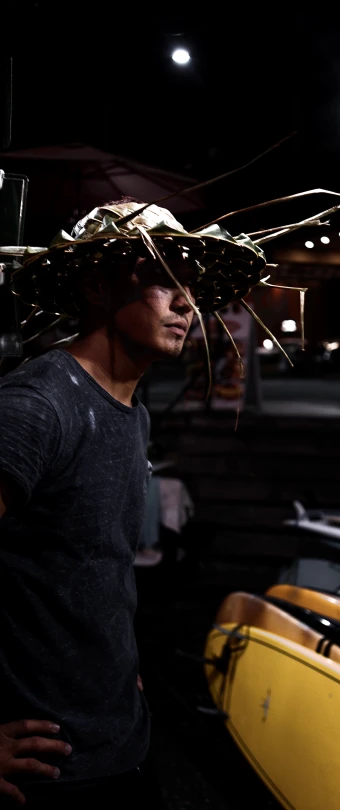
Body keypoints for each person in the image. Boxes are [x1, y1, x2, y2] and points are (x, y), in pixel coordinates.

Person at [0, 199, 201, 806]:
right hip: (50, 771)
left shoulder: (131, 414)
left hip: (121, 743)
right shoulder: (37, 406)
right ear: (95, 284)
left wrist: (116, 661)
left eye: (188, 284)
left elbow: (92, 564)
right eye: (162, 279)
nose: (186, 303)